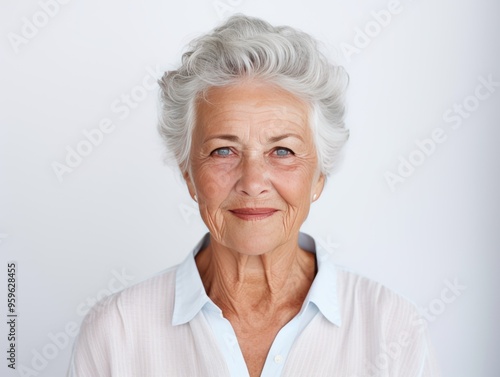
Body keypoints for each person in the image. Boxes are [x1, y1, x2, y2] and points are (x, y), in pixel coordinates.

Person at [68, 14, 440, 377]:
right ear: (189, 174)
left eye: (282, 151)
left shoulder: (392, 329)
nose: (253, 181)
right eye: (223, 151)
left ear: (319, 177)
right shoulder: (115, 334)